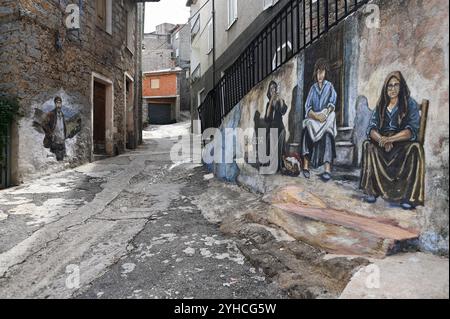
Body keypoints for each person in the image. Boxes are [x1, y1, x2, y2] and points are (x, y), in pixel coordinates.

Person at [360, 71, 425, 210]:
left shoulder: (410, 104)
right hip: (383, 146)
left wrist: (391, 139)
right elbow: (371, 129)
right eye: (389, 86)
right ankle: (371, 191)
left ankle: (409, 197)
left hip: (401, 145)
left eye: (396, 85)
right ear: (386, 88)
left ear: (401, 87)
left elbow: (411, 131)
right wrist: (382, 140)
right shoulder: (381, 105)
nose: (393, 89)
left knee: (416, 148)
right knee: (368, 145)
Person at [301, 59, 338, 181]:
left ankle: (327, 169)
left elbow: (332, 103)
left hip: (325, 117)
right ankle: (305, 166)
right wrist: (316, 116)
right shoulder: (313, 88)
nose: (320, 75)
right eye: (318, 72)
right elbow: (308, 107)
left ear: (325, 73)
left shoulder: (330, 86)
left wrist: (325, 114)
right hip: (315, 117)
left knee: (328, 133)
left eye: (322, 72)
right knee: (306, 129)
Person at [264, 81, 288, 172]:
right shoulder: (268, 104)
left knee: (281, 134)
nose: (273, 90)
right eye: (271, 89)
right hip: (271, 128)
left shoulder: (280, 101)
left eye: (274, 88)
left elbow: (283, 111)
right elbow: (267, 119)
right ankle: (271, 163)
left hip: (280, 127)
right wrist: (270, 102)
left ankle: (279, 164)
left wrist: (280, 99)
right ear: (269, 92)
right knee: (270, 136)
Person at [43, 96, 67, 161]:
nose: (58, 105)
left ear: (61, 104)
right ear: (55, 104)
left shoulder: (62, 114)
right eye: (57, 103)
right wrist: (50, 134)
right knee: (56, 159)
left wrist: (65, 136)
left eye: (60, 103)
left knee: (61, 159)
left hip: (62, 141)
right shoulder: (51, 114)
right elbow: (44, 124)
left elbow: (63, 127)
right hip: (54, 141)